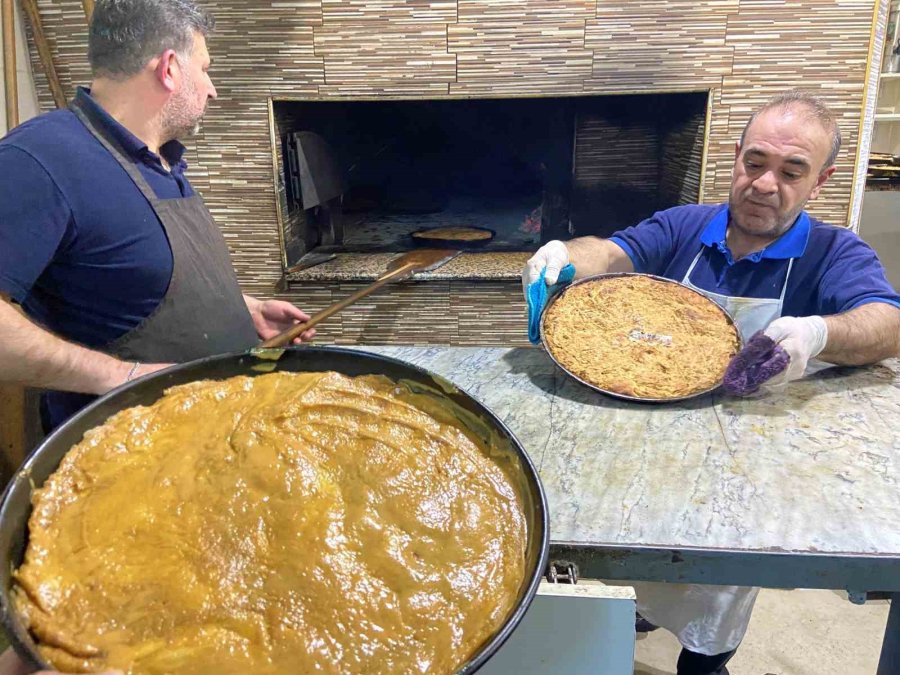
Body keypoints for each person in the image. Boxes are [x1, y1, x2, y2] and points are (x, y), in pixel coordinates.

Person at [523, 90, 900, 674]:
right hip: (649, 436)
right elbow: (612, 251)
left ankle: (704, 663)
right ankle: (640, 613)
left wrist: (820, 334)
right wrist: (563, 257)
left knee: (717, 595)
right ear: (735, 157)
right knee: (633, 560)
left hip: (749, 460)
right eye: (755, 162)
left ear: (820, 182)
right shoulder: (685, 225)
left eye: (791, 171)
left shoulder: (832, 251)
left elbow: (888, 322)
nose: (765, 184)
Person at [0, 0, 314, 433]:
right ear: (169, 69)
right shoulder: (38, 160)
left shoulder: (161, 161)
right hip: (133, 451)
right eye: (204, 69)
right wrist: (118, 376)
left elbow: (132, 282)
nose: (212, 89)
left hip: (220, 428)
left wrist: (246, 310)